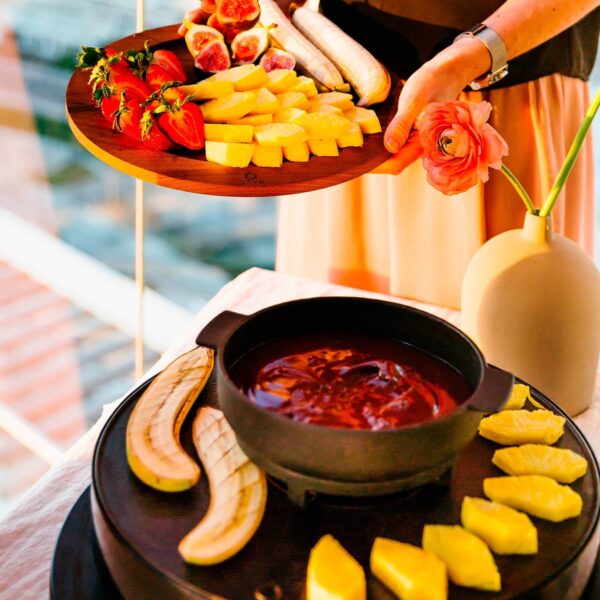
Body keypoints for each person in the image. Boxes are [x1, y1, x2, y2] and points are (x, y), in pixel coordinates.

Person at [182, 0, 599, 308]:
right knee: (323, 359)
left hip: (505, 101)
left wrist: (469, 57)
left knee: (493, 377)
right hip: (338, 92)